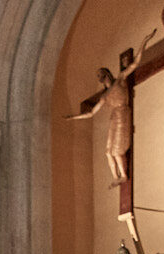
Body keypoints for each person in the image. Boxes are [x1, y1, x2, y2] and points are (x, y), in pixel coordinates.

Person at [65, 29, 158, 185]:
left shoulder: (120, 79)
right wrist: (73, 117)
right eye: (98, 76)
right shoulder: (104, 96)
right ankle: (116, 177)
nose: (100, 77)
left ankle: (124, 175)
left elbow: (135, 63)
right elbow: (91, 113)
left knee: (117, 150)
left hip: (123, 113)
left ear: (107, 74)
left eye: (101, 74)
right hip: (114, 117)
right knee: (108, 152)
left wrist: (145, 41)